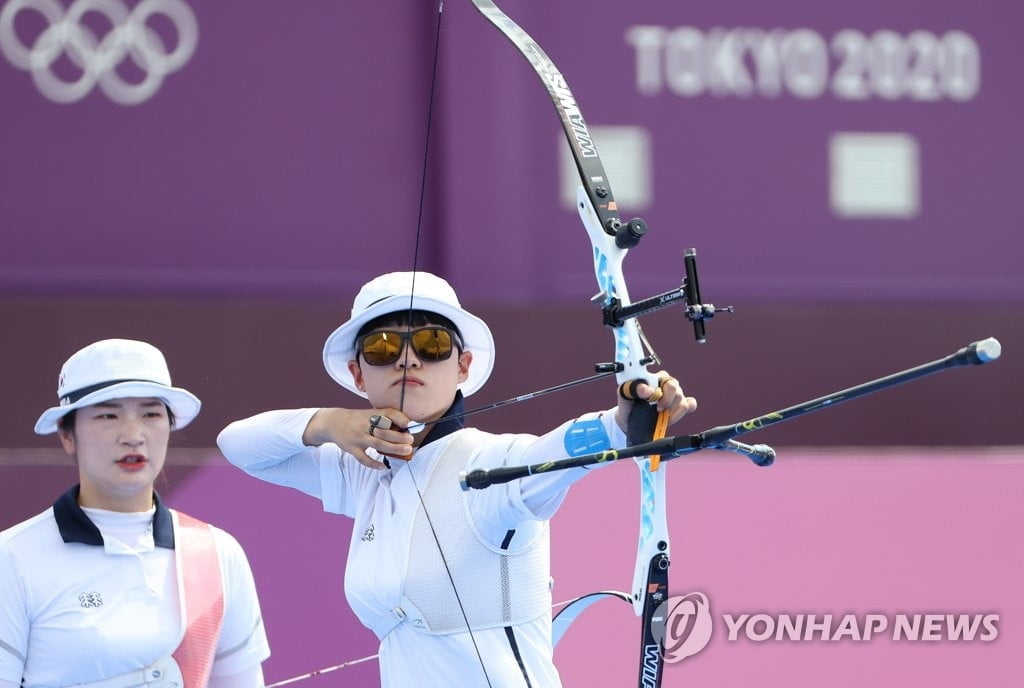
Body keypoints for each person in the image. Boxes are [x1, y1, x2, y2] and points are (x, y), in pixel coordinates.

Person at [217, 271, 696, 687]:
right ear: (358, 374)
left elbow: (555, 450)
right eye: (382, 347)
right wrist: (327, 421)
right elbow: (238, 444)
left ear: (462, 365)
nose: (408, 360)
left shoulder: (489, 463)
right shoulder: (362, 470)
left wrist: (622, 421)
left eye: (432, 345)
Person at [0, 339, 271, 688]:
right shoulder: (13, 557)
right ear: (67, 435)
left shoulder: (218, 553)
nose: (133, 435)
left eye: (151, 414)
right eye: (107, 415)